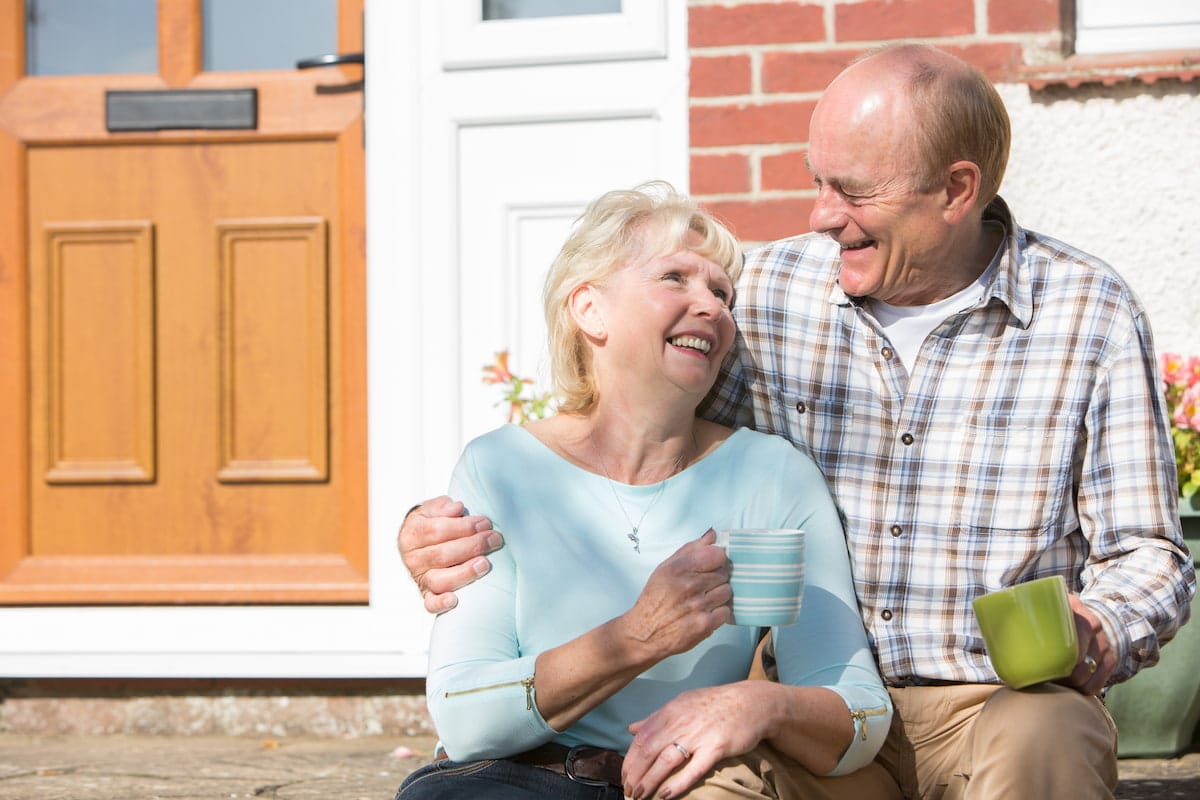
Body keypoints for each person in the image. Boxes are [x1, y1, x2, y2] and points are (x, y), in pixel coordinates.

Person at [400, 44, 1197, 799]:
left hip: (995, 705)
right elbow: (640, 428)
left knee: (1045, 733)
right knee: (704, 774)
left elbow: (1150, 552)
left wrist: (1102, 623)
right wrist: (442, 530)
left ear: (956, 191)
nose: (821, 214)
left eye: (851, 191)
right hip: (807, 709)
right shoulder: (772, 292)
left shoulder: (1086, 312)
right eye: (817, 181)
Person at [395, 182, 898, 800]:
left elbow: (859, 712)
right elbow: (464, 717)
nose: (712, 307)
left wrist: (760, 705)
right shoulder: (502, 468)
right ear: (589, 310)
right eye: (675, 278)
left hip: (693, 787)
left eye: (721, 292)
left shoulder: (772, 477)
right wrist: (637, 636)